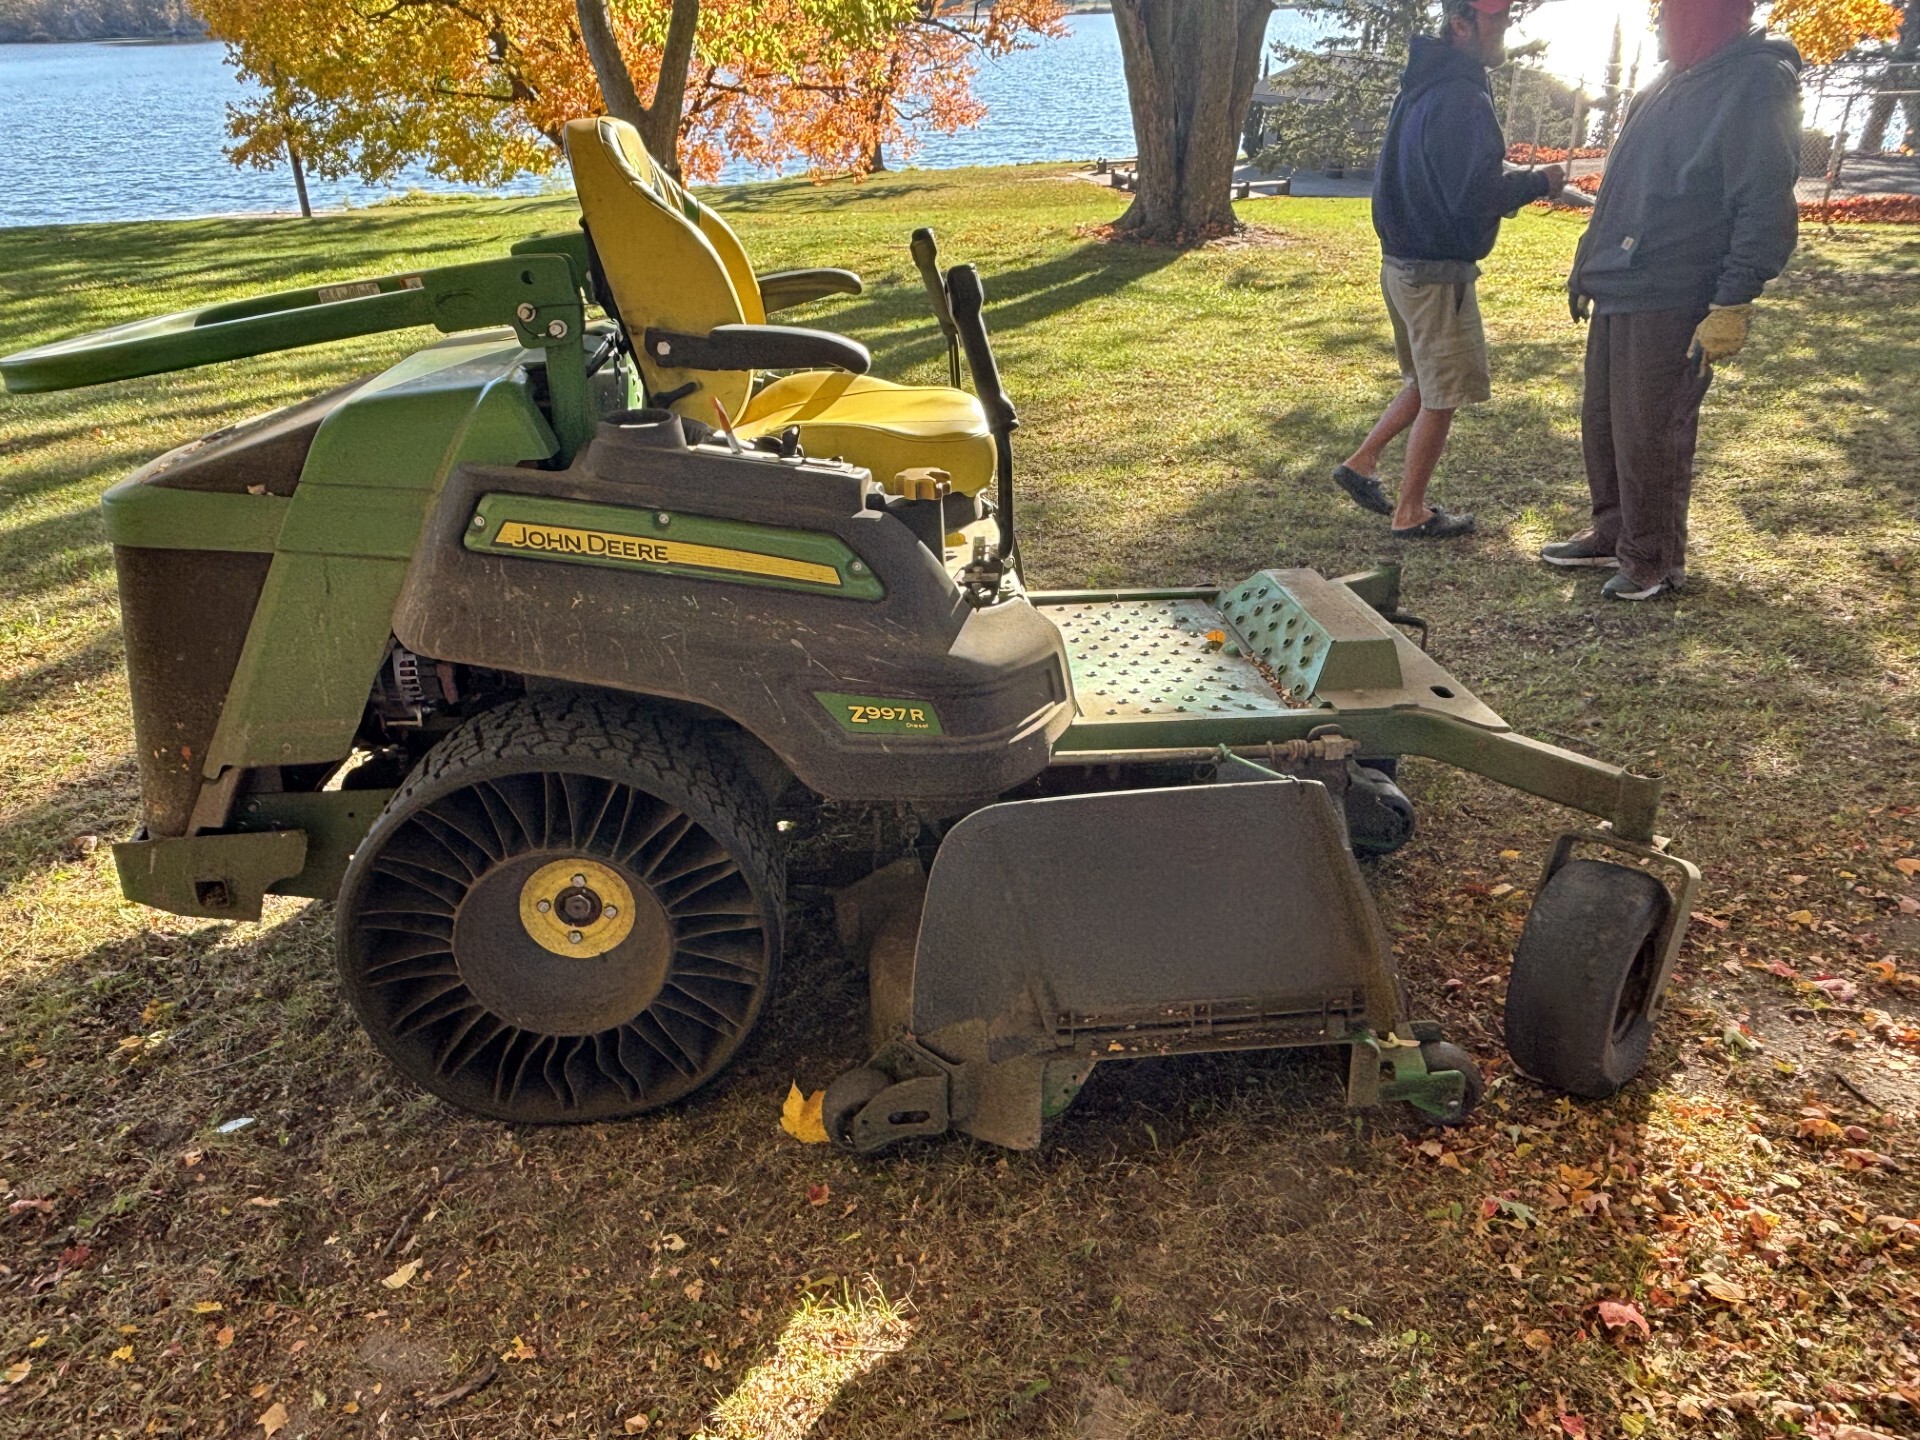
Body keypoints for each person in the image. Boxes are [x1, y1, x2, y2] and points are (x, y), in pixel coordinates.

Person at [1547, 0, 1801, 599]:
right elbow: (1621, 190)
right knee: (1605, 424)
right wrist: (1587, 266)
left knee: (1651, 430)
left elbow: (1764, 201)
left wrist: (1733, 300)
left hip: (1675, 290)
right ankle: (1613, 533)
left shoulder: (1756, 83)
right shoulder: (1664, 85)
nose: (1658, 24)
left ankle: (1653, 557)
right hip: (1623, 282)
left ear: (1704, 17)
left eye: (1669, 14)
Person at [1332, 0, 1563, 539]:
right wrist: (1538, 182)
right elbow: (1471, 193)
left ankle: (1361, 462)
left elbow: (1445, 172)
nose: (1504, 28)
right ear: (1461, 26)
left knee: (1425, 379)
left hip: (1402, 264)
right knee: (1444, 393)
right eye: (1495, 20)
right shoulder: (1461, 93)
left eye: (1507, 18)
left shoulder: (1423, 84)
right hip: (1435, 272)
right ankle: (1410, 513)